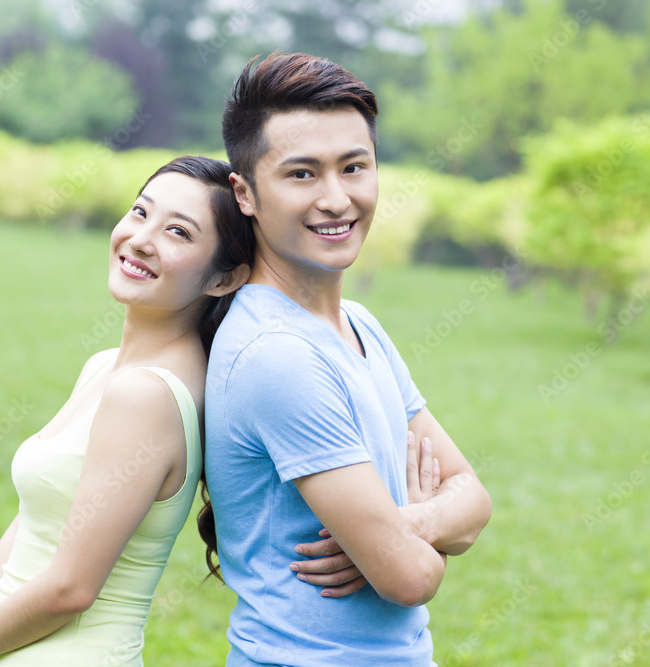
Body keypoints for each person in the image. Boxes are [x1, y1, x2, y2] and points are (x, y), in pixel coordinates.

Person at [204, 53, 493, 666]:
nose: (337, 199)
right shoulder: (276, 356)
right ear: (245, 193)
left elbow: (474, 499)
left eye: (354, 167)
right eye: (302, 174)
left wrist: (406, 525)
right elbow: (409, 580)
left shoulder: (359, 325)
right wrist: (416, 535)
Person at [0, 156, 255, 667]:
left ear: (223, 278)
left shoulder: (146, 395)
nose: (142, 239)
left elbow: (72, 588)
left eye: (178, 233)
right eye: (140, 212)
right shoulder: (108, 369)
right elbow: (32, 524)